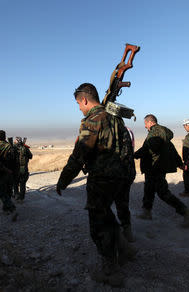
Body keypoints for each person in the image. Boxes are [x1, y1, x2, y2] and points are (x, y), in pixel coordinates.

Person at [56, 83, 136, 286]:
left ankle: (111, 270)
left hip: (102, 178)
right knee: (108, 215)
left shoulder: (92, 121)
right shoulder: (115, 117)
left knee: (99, 225)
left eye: (78, 104)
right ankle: (125, 249)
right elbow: (126, 145)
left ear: (84, 100)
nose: (79, 108)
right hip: (120, 177)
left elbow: (79, 156)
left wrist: (64, 180)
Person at [134, 114, 189, 227]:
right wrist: (180, 164)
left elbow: (149, 148)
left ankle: (187, 213)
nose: (145, 126)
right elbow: (171, 148)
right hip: (153, 168)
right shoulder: (162, 132)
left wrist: (134, 155)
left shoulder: (156, 132)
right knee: (149, 189)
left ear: (150, 122)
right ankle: (146, 212)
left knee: (163, 193)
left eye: (145, 124)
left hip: (155, 167)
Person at [0, 130, 17, 218]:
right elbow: (15, 160)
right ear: (5, 136)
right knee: (9, 191)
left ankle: (12, 208)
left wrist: (5, 169)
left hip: (1, 173)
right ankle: (6, 209)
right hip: (11, 172)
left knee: (1, 193)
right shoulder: (11, 146)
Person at [14, 137, 33, 202]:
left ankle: (16, 195)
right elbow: (31, 156)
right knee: (22, 184)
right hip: (24, 169)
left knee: (15, 183)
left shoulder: (13, 148)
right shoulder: (25, 148)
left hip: (15, 169)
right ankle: (21, 198)